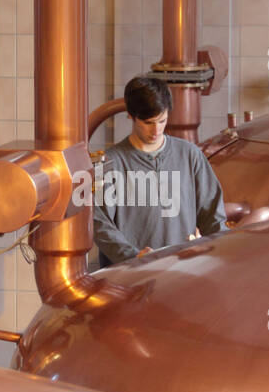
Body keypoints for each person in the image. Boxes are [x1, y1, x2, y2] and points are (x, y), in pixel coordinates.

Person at [93, 75, 226, 268]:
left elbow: (214, 215)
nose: (156, 130)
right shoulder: (109, 164)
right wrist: (133, 256)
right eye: (148, 123)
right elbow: (100, 225)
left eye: (162, 121)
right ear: (131, 115)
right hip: (129, 277)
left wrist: (218, 252)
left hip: (183, 271)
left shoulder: (189, 155)